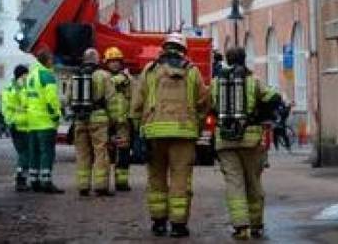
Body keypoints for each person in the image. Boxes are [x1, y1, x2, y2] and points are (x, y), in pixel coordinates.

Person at [131, 32, 208, 238]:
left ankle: (158, 223)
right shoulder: (192, 71)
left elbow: (137, 104)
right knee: (180, 179)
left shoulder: (150, 70)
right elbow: (204, 102)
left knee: (156, 178)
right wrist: (197, 127)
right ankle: (178, 225)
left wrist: (138, 131)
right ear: (183, 50)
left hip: (154, 134)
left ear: (164, 48)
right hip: (184, 134)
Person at [212, 47, 277, 240]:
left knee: (234, 184)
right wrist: (261, 114)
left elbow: (208, 105)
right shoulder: (253, 81)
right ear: (244, 59)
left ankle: (240, 226)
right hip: (250, 140)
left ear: (227, 60)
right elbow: (273, 98)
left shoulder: (216, 83)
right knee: (253, 182)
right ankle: (256, 224)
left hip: (225, 141)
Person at [69, 48, 113, 197]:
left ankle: (83, 185)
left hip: (80, 120)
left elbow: (69, 99)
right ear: (97, 59)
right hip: (98, 119)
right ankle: (100, 185)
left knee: (82, 153)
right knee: (100, 151)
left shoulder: (75, 75)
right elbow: (111, 99)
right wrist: (115, 120)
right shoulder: (103, 75)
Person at [26, 49, 64, 194]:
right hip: (45, 121)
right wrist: (56, 116)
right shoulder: (47, 75)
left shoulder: (32, 75)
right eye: (51, 59)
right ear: (47, 60)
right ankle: (46, 181)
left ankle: (34, 181)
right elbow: (51, 100)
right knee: (47, 153)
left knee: (34, 153)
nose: (52, 61)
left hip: (32, 122)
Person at [104, 47, 133, 192]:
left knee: (123, 153)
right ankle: (103, 182)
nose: (114, 64)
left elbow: (134, 96)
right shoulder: (104, 78)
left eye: (117, 61)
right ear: (106, 63)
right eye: (111, 61)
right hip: (106, 122)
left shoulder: (127, 79)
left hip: (123, 122)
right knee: (105, 154)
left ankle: (122, 182)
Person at [2, 64, 30, 192]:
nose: (28, 77)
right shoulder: (21, 87)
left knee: (21, 153)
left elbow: (5, 107)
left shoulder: (8, 87)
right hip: (22, 124)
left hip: (12, 123)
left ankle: (21, 179)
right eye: (26, 74)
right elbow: (26, 103)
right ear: (22, 75)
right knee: (25, 153)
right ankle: (20, 179)